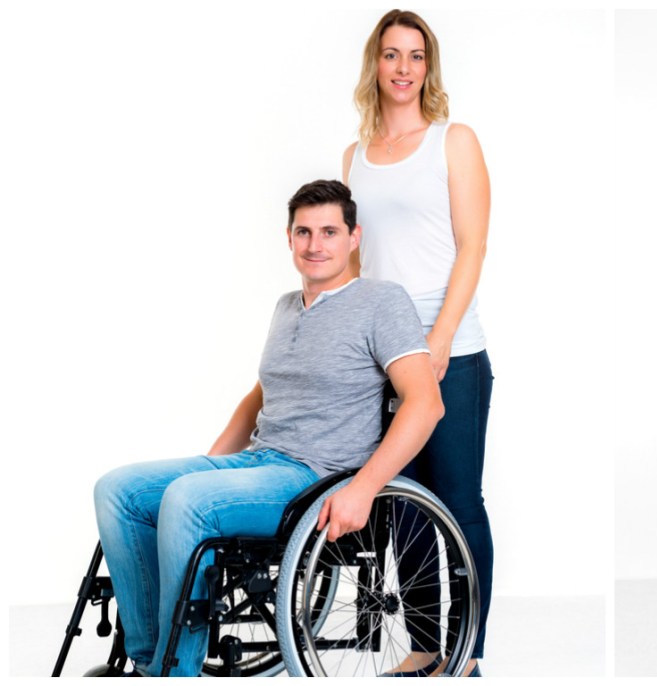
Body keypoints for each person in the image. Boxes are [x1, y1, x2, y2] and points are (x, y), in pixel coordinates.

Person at [92, 180, 443, 677]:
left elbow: (425, 404)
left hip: (314, 476)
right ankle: (151, 660)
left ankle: (177, 672)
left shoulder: (381, 302)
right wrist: (213, 464)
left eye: (328, 231)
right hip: (258, 461)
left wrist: (364, 489)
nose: (315, 245)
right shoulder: (286, 307)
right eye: (304, 232)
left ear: (354, 237)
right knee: (117, 490)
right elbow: (258, 397)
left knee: (188, 501)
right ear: (289, 238)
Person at [342, 10, 493, 678]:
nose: (403, 68)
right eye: (392, 54)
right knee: (400, 509)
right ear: (374, 64)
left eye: (416, 56)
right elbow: (355, 263)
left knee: (458, 504)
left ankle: (466, 654)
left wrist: (436, 341)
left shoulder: (452, 142)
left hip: (450, 354)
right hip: (381, 356)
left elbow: (473, 247)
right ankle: (427, 647)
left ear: (428, 68)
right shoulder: (354, 155)